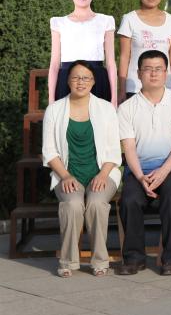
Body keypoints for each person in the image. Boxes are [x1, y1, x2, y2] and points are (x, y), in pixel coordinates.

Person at [42, 61, 122, 277]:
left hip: (102, 173)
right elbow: (49, 151)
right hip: (67, 174)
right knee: (72, 204)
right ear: (68, 81)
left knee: (96, 203)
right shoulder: (54, 110)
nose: (81, 82)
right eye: (76, 77)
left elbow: (114, 150)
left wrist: (103, 174)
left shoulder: (106, 109)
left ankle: (100, 261)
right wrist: (66, 176)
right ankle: (68, 262)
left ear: (93, 82)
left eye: (86, 78)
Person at [115, 51, 171, 276]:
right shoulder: (127, 107)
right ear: (138, 73)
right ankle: (134, 258)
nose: (153, 73)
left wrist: (163, 171)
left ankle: (170, 258)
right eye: (147, 69)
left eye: (158, 69)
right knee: (129, 200)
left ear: (166, 73)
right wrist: (140, 177)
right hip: (139, 170)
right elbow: (129, 148)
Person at [49, 0, 116, 105]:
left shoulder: (106, 21)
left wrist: (114, 98)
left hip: (97, 80)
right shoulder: (58, 22)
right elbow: (54, 64)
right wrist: (51, 100)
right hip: (67, 80)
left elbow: (110, 63)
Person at [117, 0, 171, 101]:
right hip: (135, 87)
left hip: (165, 88)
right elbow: (124, 57)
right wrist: (122, 90)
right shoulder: (129, 19)